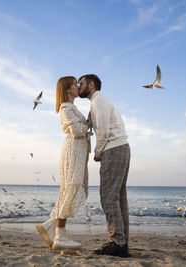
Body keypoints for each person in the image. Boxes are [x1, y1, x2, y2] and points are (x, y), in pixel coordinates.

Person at [78, 74, 130, 257]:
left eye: (81, 83)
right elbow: (104, 127)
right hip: (122, 147)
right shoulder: (100, 101)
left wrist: (98, 153)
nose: (79, 86)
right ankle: (122, 243)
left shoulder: (98, 101)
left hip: (113, 149)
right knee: (119, 198)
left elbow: (104, 133)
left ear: (91, 85)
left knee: (108, 197)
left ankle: (118, 242)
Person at [36, 76, 91, 250]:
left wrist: (87, 123)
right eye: (75, 84)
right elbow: (76, 130)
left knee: (72, 189)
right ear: (67, 89)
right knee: (71, 188)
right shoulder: (65, 108)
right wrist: (89, 123)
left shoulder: (71, 107)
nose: (77, 87)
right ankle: (59, 235)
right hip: (73, 151)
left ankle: (51, 225)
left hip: (77, 151)